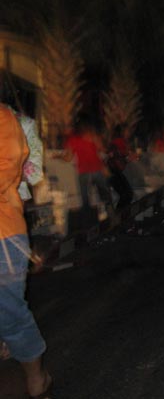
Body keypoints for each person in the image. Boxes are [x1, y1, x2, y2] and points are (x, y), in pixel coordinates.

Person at [0, 104, 53, 398]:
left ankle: (36, 378)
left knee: (10, 313)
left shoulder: (6, 119)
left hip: (3, 233)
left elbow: (9, 168)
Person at [62, 116, 113, 218]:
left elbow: (68, 158)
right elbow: (102, 149)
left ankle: (89, 222)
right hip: (97, 169)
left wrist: (58, 157)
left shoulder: (72, 140)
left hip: (83, 171)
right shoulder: (93, 136)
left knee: (85, 199)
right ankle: (109, 214)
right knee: (105, 195)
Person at [107, 125, 134, 209]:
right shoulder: (119, 142)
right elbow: (122, 156)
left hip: (114, 170)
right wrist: (127, 158)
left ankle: (121, 215)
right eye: (127, 131)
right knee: (127, 194)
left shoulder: (113, 142)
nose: (129, 133)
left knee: (127, 194)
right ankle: (120, 215)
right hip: (114, 171)